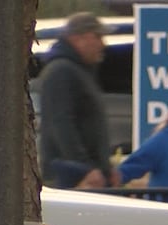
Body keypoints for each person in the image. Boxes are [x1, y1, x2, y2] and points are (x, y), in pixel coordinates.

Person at [39, 12, 120, 189]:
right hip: (71, 179)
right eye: (97, 37)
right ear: (77, 38)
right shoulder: (61, 72)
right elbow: (61, 124)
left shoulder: (82, 72)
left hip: (90, 176)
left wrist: (106, 168)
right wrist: (84, 169)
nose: (102, 44)